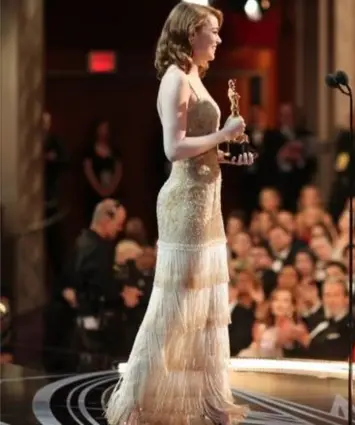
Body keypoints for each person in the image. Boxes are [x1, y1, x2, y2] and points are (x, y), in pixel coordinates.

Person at [105, 3, 253, 425]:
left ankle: (204, 402)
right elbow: (173, 149)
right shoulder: (174, 79)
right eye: (213, 32)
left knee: (204, 308)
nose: (219, 40)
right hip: (185, 204)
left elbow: (198, 151)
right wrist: (224, 133)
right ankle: (136, 405)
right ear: (191, 34)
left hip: (208, 200)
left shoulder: (194, 77)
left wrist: (224, 155)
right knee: (173, 307)